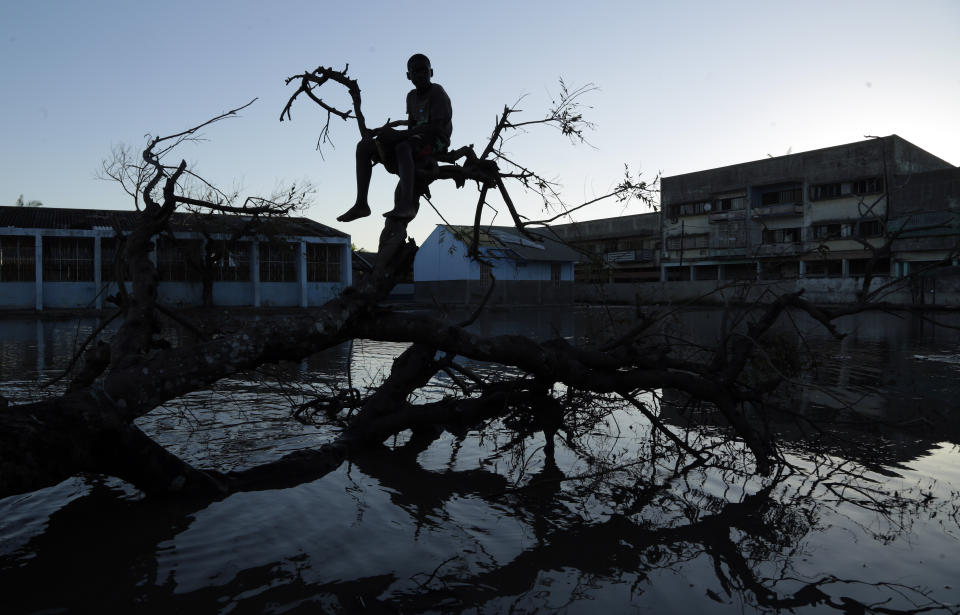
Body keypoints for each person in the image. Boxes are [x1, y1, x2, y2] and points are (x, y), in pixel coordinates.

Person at [337, 53, 453, 222]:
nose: (420, 74)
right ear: (408, 76)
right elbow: (413, 126)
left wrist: (399, 136)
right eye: (415, 71)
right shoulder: (411, 96)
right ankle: (361, 204)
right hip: (416, 138)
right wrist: (387, 136)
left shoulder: (437, 92)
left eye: (424, 70)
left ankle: (406, 205)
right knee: (364, 146)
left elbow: (435, 127)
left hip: (436, 140)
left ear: (431, 72)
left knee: (403, 147)